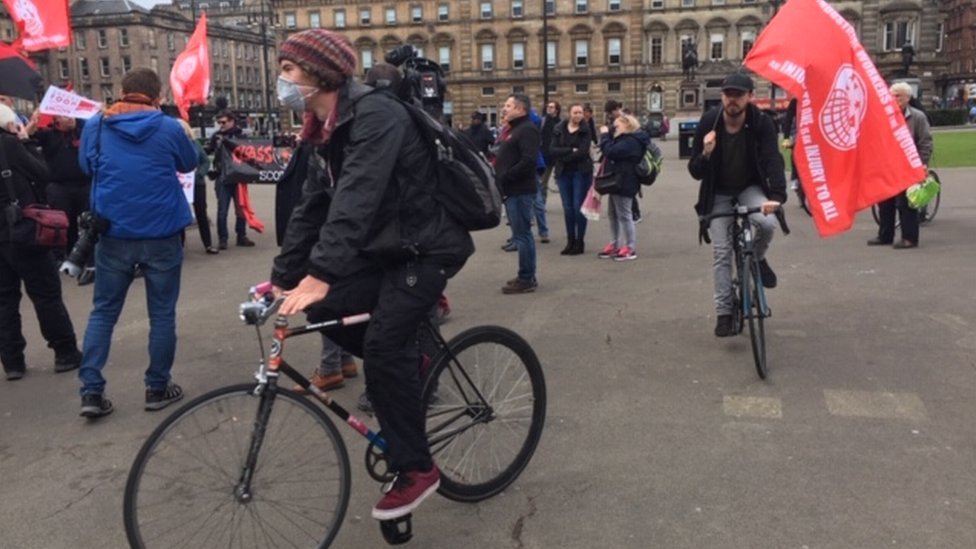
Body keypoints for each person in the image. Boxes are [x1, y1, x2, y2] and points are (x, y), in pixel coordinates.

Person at [269, 29, 474, 520]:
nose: (282, 79)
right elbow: (313, 204)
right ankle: (412, 360)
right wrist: (285, 276)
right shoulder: (323, 126)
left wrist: (320, 271)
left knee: (382, 349)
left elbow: (356, 198)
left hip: (425, 248)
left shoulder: (376, 114)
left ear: (319, 74)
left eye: (289, 69)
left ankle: (418, 469)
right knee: (324, 304)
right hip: (385, 249)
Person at [76, 68, 198, 418]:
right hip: (160, 232)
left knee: (103, 312)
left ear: (120, 90)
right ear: (158, 96)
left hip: (112, 231)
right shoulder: (168, 127)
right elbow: (188, 163)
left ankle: (91, 392)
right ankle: (157, 387)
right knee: (161, 314)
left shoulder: (96, 126)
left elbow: (87, 166)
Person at [687, 71, 786, 338]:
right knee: (721, 253)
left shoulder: (761, 123)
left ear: (749, 97)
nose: (733, 100)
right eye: (728, 94)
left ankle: (759, 257)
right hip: (718, 192)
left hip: (749, 187)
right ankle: (724, 312)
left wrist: (775, 197)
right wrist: (706, 154)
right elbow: (695, 171)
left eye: (739, 95)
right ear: (722, 97)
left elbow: (772, 159)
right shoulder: (710, 121)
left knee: (767, 224)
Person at [0, 104, 82, 381]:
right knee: (46, 294)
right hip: (21, 231)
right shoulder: (10, 145)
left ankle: (12, 362)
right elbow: (43, 173)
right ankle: (65, 352)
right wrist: (26, 142)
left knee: (4, 301)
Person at [869, 82, 933, 249]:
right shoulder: (884, 115)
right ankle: (885, 235)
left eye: (899, 95)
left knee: (906, 204)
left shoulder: (917, 117)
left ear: (908, 98)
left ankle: (909, 238)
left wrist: (922, 164)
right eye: (892, 95)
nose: (894, 99)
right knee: (884, 202)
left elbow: (925, 142)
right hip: (888, 166)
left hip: (908, 167)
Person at [27, 114, 93, 269]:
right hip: (59, 187)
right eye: (65, 116)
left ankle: (87, 258)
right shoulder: (48, 135)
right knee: (63, 225)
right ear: (56, 120)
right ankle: (62, 256)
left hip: (85, 184)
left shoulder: (83, 130)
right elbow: (26, 138)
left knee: (88, 222)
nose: (70, 118)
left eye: (72, 115)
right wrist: (33, 122)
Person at [495, 94, 541, 294]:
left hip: (521, 189)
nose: (504, 109)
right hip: (512, 189)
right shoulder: (513, 130)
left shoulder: (527, 130)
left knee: (523, 235)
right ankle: (525, 274)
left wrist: (506, 176)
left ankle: (526, 278)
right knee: (520, 234)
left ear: (521, 109)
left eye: (508, 105)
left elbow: (528, 160)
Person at [596, 114, 647, 261]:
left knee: (625, 216)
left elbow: (611, 151)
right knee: (612, 215)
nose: (614, 128)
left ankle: (630, 248)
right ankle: (614, 244)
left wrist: (605, 135)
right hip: (616, 181)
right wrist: (610, 136)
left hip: (625, 182)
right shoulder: (623, 139)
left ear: (627, 125)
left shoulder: (631, 141)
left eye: (617, 126)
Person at [205, 110, 254, 250]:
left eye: (224, 122)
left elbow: (248, 152)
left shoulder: (241, 135)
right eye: (219, 122)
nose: (221, 125)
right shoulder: (217, 136)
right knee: (222, 209)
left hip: (238, 175)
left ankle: (241, 235)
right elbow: (208, 151)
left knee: (241, 208)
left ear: (232, 121)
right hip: (223, 175)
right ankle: (223, 238)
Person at [548, 103, 592, 256]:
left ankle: (580, 241)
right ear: (569, 113)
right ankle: (570, 241)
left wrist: (564, 156)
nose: (578, 115)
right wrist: (569, 150)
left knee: (578, 207)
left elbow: (582, 152)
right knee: (567, 208)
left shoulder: (586, 129)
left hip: (581, 172)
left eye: (580, 112)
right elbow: (552, 149)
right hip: (563, 172)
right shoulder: (559, 128)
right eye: (575, 112)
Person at [177, 119, 218, 254]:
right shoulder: (173, 144)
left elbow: (205, 161)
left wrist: (199, 173)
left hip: (197, 183)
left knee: (201, 213)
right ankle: (180, 246)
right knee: (180, 214)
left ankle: (208, 244)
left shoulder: (195, 144)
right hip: (180, 184)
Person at [539, 100, 561, 213]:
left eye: (552, 107)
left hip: (558, 156)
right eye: (548, 106)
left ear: (556, 109)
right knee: (543, 182)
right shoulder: (543, 121)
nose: (549, 108)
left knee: (561, 181)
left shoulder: (561, 123)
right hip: (545, 155)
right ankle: (541, 205)